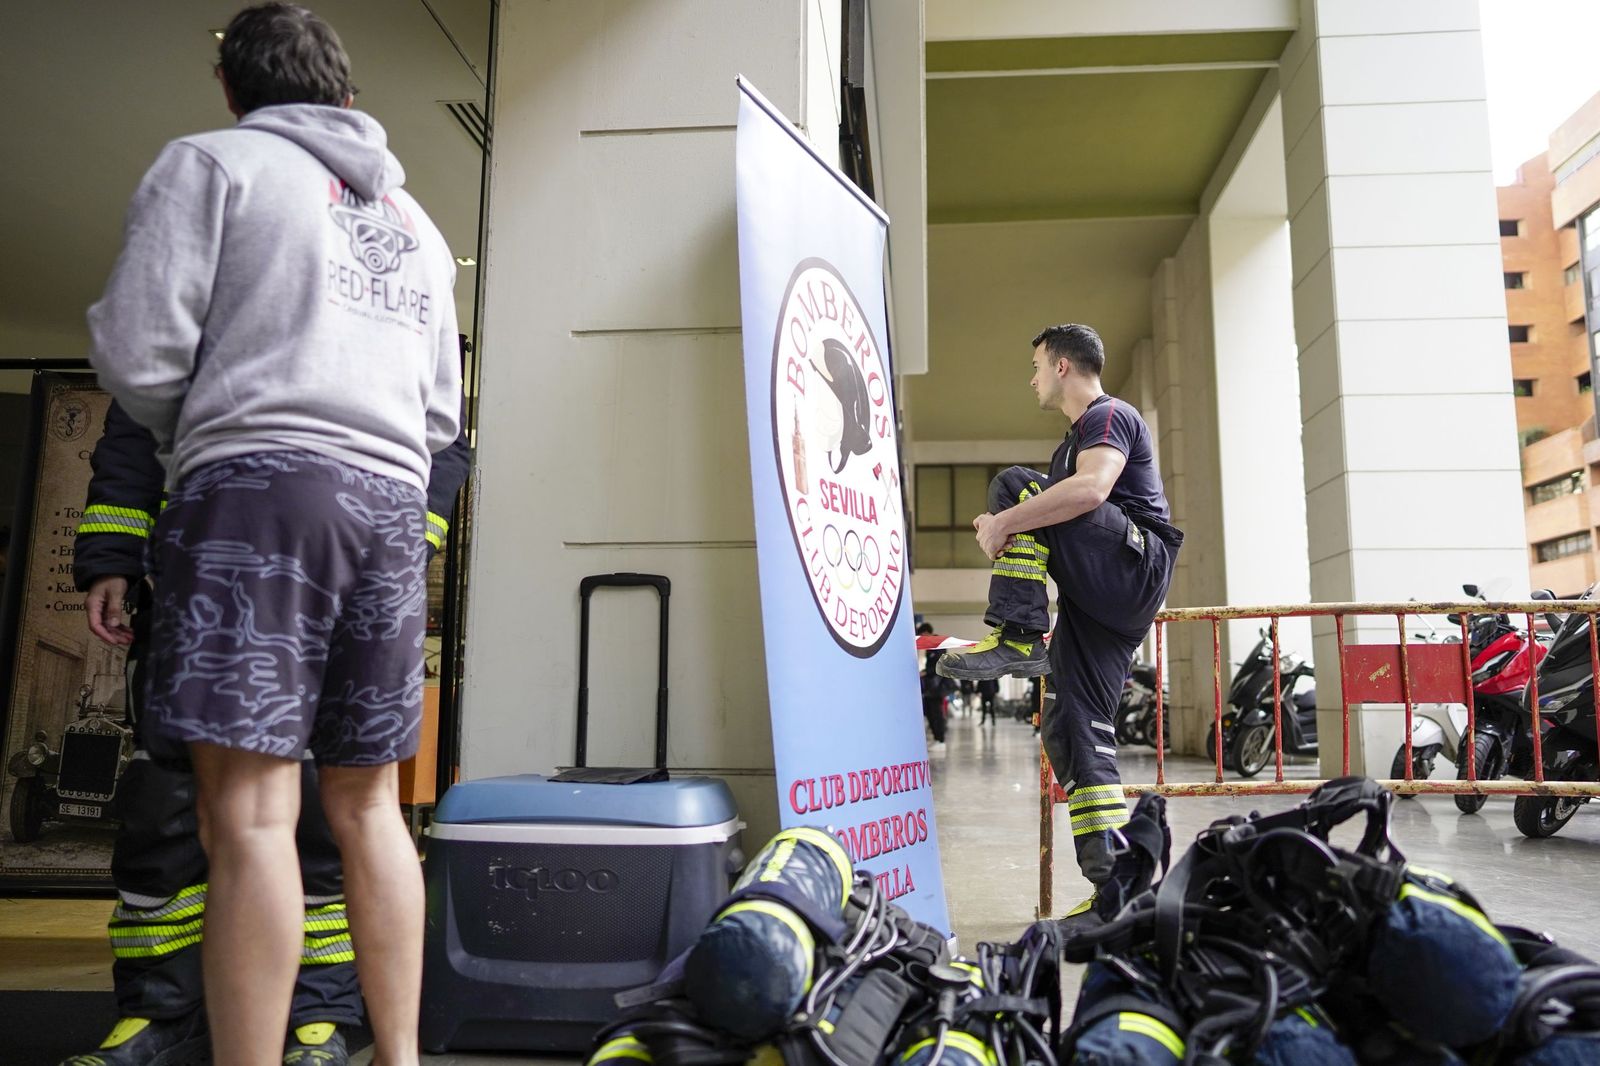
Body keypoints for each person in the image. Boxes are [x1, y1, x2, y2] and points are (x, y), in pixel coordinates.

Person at [86, 6, 462, 1064]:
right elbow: (441, 417)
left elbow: (138, 348)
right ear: (346, 93)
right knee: (370, 805)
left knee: (249, 813)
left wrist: (209, 428)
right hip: (388, 511)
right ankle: (397, 1057)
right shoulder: (417, 223)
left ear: (232, 90)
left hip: (257, 496)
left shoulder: (211, 163)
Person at [64, 395, 469, 1066]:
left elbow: (444, 433)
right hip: (197, 579)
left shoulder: (387, 297)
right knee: (163, 811)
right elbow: (137, 420)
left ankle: (319, 1012)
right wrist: (112, 554)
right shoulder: (216, 301)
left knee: (318, 812)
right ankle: (161, 1008)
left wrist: (407, 539)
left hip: (329, 570)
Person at [937, 324, 1182, 921]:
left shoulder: (1108, 415)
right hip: (1102, 602)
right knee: (1072, 726)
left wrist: (1004, 521)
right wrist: (1015, 528)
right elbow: (1065, 506)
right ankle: (1115, 891)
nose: (1033, 378)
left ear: (1064, 366)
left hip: (1133, 564)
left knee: (1013, 487)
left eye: (1038, 366)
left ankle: (1019, 635)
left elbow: (1093, 489)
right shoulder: (1068, 447)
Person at [917, 622, 949, 748]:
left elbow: (939, 666)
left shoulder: (938, 646)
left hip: (937, 687)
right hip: (931, 687)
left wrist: (925, 672)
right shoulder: (931, 647)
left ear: (926, 633)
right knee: (931, 713)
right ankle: (937, 738)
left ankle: (941, 740)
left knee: (936, 714)